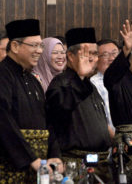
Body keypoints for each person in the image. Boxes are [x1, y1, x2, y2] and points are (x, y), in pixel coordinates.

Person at [45, 28, 112, 181]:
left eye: (95, 54)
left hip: (101, 164)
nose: (92, 59)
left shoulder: (90, 85)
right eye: (86, 54)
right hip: (74, 165)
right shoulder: (60, 83)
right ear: (71, 56)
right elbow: (57, 117)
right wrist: (80, 77)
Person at [0, 19, 62, 183]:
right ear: (15, 46)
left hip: (38, 166)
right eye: (34, 45)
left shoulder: (33, 80)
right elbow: (3, 120)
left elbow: (48, 121)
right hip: (11, 165)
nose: (39, 51)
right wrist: (29, 158)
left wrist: (54, 155)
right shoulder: (3, 75)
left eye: (41, 45)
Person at [90, 39, 120, 134]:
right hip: (110, 142)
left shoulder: (127, 80)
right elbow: (97, 119)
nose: (111, 58)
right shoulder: (93, 84)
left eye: (114, 53)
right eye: (105, 55)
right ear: (96, 59)